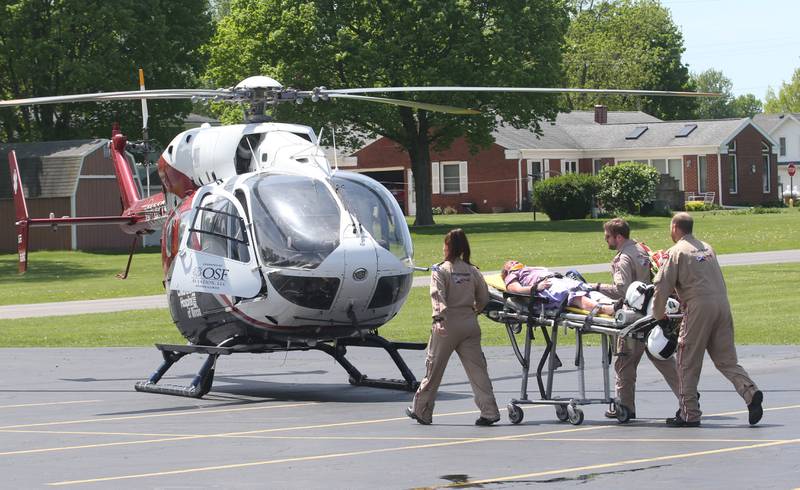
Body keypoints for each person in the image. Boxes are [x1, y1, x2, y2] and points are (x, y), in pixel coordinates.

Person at [651, 212, 763, 427]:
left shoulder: (676, 252)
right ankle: (750, 392)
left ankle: (689, 413)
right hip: (722, 306)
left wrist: (658, 316)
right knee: (726, 360)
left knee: (687, 361)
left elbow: (662, 285)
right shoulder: (707, 248)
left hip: (698, 308)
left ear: (675, 227)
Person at [406, 228, 501, 426]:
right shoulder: (473, 270)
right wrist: (474, 310)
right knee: (478, 371)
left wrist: (439, 318)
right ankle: (490, 411)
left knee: (434, 370)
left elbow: (438, 296)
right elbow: (483, 298)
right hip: (469, 324)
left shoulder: (440, 270)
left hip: (447, 325)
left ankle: (421, 410)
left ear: (448, 246)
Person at [594, 218, 680, 421]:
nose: (606, 240)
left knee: (624, 362)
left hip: (632, 318)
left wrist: (596, 287)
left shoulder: (623, 258)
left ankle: (624, 406)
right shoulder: (642, 250)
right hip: (652, 313)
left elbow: (621, 289)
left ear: (618, 236)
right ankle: (687, 395)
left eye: (608, 237)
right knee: (662, 357)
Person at [501, 261, 616, 316]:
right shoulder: (512, 275)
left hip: (559, 280)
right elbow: (514, 289)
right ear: (506, 271)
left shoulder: (530, 268)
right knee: (575, 296)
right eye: (510, 263)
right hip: (548, 287)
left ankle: (616, 305)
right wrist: (535, 287)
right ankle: (607, 309)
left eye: (514, 260)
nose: (513, 261)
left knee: (588, 291)